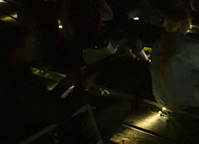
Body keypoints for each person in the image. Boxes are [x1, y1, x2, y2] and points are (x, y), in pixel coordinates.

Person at [0, 24, 130, 143]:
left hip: (39, 128)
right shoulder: (18, 84)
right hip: (51, 134)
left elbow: (43, 103)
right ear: (16, 52)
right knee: (121, 106)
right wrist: (81, 87)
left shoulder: (13, 75)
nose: (33, 48)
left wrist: (64, 85)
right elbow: (57, 113)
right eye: (29, 45)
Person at [150, 9, 199, 111]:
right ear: (186, 24)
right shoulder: (191, 46)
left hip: (163, 97)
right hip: (190, 98)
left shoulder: (157, 44)